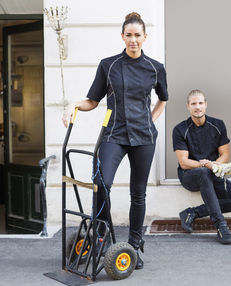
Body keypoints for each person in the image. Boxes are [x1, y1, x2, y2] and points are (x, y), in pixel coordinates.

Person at [62, 12, 168, 269]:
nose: (133, 40)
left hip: (143, 138)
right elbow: (93, 101)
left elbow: (163, 99)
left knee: (138, 193)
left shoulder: (156, 68)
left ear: (145, 37)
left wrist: (149, 122)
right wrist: (74, 104)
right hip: (114, 134)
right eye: (128, 35)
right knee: (101, 183)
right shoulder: (108, 65)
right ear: (122, 36)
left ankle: (133, 245)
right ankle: (101, 237)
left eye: (137, 35)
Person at [172, 89, 231, 244]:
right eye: (193, 104)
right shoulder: (180, 129)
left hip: (212, 172)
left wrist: (212, 165)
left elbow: (225, 155)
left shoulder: (218, 125)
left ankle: (192, 213)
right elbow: (184, 162)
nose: (197, 107)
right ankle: (220, 226)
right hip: (190, 175)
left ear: (206, 105)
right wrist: (205, 165)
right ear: (188, 106)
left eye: (200, 103)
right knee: (203, 173)